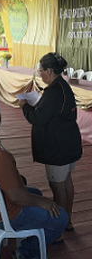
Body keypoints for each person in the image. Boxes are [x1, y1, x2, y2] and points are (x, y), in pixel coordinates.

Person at [0, 96, 68, 259]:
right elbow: (16, 197)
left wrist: (37, 199)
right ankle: (25, 252)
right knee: (61, 216)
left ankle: (35, 236)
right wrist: (42, 202)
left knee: (36, 192)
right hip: (7, 214)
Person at [23, 52, 82, 232]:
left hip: (57, 146)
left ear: (49, 70)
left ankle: (58, 227)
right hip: (68, 142)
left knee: (57, 187)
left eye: (41, 71)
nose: (40, 74)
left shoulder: (54, 91)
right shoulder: (62, 86)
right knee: (66, 181)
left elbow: (38, 119)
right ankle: (68, 221)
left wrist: (25, 106)